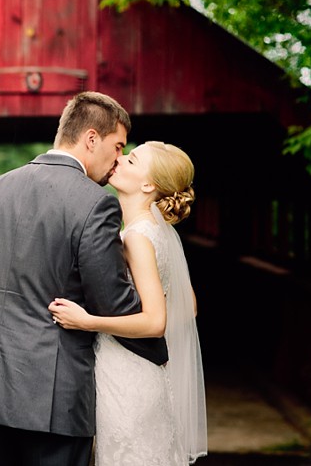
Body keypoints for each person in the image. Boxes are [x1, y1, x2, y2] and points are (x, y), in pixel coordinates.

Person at [0, 92, 167, 466]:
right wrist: (156, 351)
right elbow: (109, 297)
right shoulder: (95, 203)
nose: (117, 160)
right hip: (56, 401)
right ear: (91, 138)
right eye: (118, 146)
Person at [49, 141, 208, 465]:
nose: (120, 159)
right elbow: (188, 304)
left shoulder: (136, 237)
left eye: (132, 160)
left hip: (127, 375)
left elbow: (154, 323)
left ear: (148, 184)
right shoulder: (156, 231)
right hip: (142, 372)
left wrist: (88, 321)